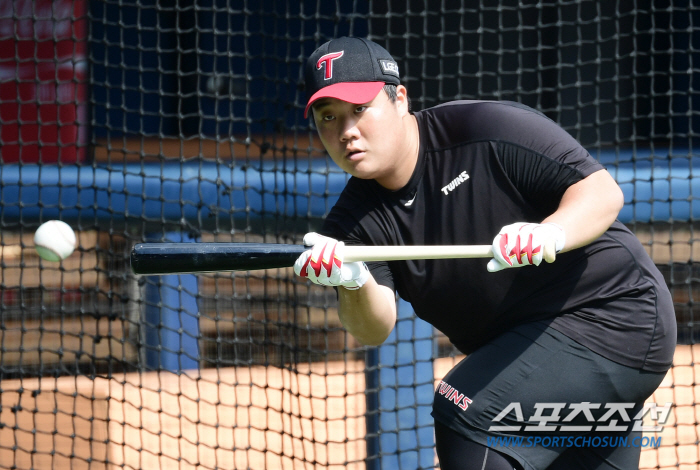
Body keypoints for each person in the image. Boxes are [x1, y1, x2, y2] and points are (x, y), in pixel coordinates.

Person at [293, 36, 676, 470]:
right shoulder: (351, 225)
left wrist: (549, 233)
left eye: (360, 109)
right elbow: (374, 328)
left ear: (399, 98)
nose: (346, 131)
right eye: (329, 117)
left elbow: (601, 192)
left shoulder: (484, 127)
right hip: (533, 360)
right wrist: (355, 280)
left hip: (616, 316)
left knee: (462, 411)